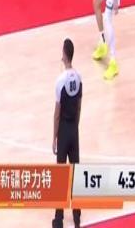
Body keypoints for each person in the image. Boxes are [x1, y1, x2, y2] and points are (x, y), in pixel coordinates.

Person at [52, 38, 82, 228]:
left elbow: (57, 114)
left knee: (61, 176)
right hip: (73, 129)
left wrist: (54, 137)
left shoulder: (60, 81)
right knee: (76, 173)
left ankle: (59, 219)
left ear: (64, 54)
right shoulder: (79, 78)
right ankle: (77, 216)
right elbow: (79, 106)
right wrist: (75, 127)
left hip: (63, 130)